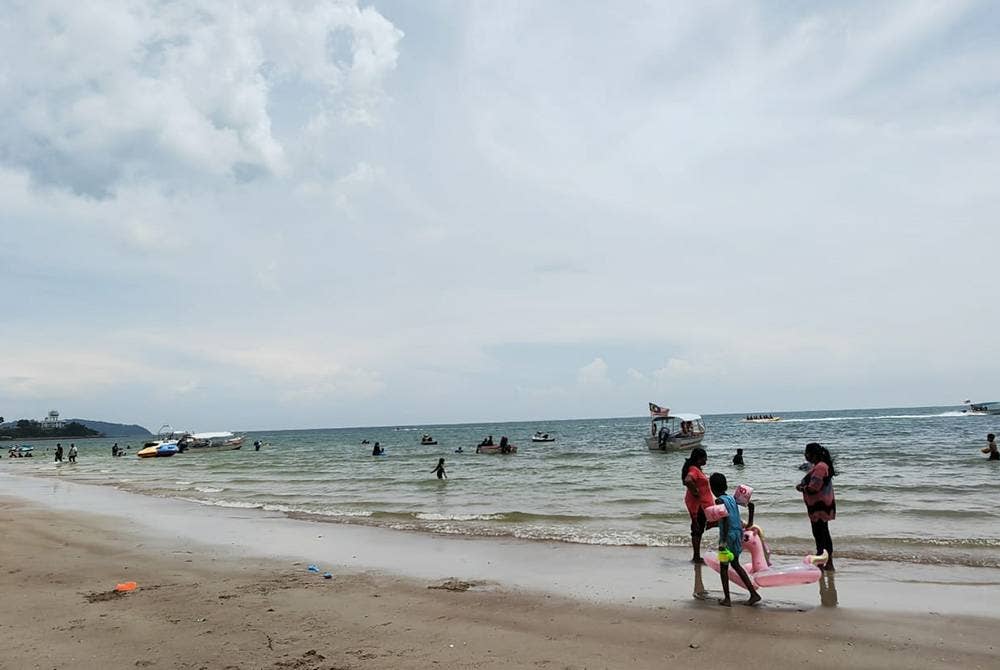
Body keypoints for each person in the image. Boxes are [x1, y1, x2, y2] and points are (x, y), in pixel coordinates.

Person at [709, 472, 760, 607]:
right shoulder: (732, 499)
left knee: (724, 567)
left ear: (712, 488)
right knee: (736, 564)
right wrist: (750, 522)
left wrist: (723, 542)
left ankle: (727, 599)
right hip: (738, 534)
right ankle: (753, 594)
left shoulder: (719, 501)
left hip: (728, 536)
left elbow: (725, 520)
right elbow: (750, 505)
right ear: (725, 485)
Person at [796, 442, 836, 571]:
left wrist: (802, 488)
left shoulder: (820, 467)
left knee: (821, 534)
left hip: (820, 506)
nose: (805, 455)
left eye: (806, 453)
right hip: (820, 505)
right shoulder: (821, 466)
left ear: (812, 454)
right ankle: (823, 561)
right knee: (821, 533)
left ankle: (825, 561)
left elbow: (814, 487)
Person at [682, 448, 715, 563]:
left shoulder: (697, 469)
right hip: (698, 506)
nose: (706, 459)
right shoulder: (693, 469)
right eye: (704, 457)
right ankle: (696, 557)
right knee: (697, 530)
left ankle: (697, 556)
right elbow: (687, 480)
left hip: (702, 505)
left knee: (698, 529)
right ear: (699, 458)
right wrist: (696, 493)